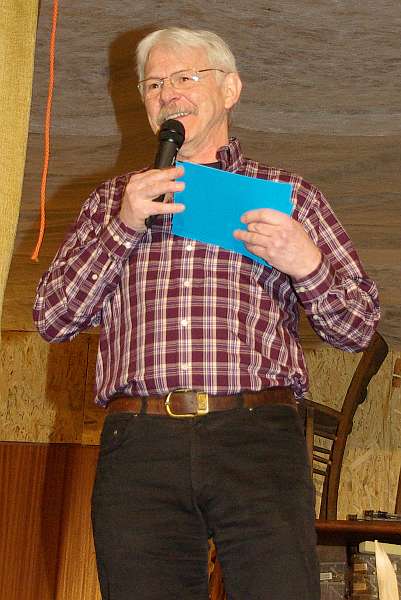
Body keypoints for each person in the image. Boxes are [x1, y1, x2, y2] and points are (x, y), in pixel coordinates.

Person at [33, 27, 380, 600]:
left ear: (230, 89)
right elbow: (52, 318)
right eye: (153, 84)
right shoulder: (110, 202)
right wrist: (122, 226)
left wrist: (307, 263)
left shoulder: (289, 195)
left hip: (257, 438)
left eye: (185, 77)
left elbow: (358, 327)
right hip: (140, 442)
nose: (168, 93)